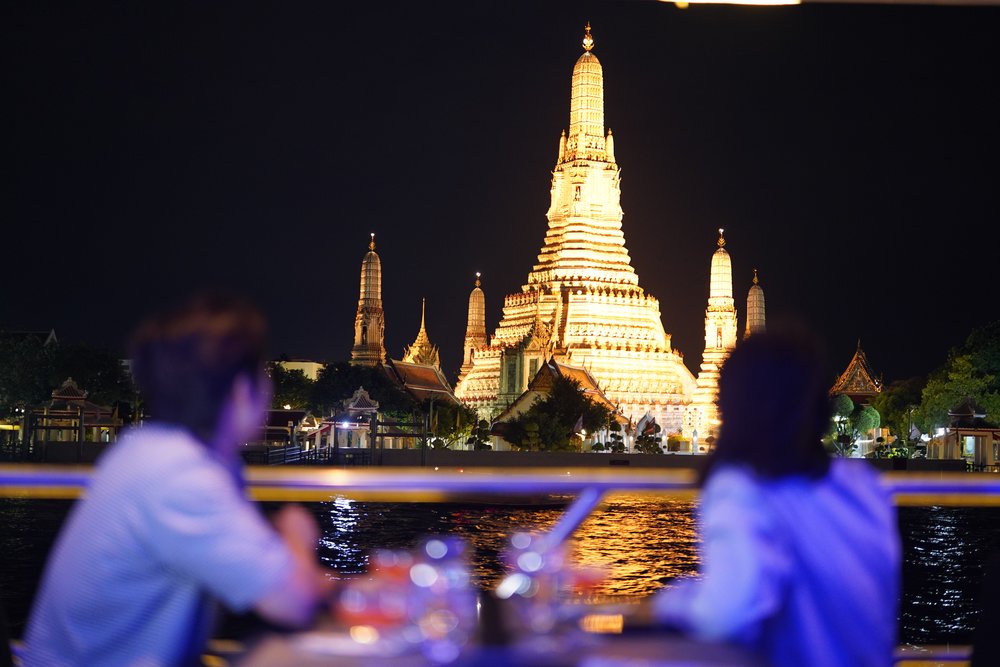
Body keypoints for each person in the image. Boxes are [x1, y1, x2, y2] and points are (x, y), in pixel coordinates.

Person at [21, 293, 334, 667]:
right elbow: (293, 603)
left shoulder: (145, 450)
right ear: (240, 392)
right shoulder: (181, 476)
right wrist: (296, 535)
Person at [649, 326, 902, 667]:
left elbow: (725, 613)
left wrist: (667, 601)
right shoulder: (863, 484)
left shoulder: (742, 489)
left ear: (732, 409)